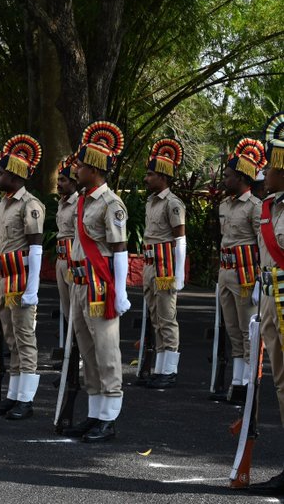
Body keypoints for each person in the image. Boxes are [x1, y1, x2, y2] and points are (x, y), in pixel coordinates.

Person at [63, 121, 130, 443]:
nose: (76, 170)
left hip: (101, 286)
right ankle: (94, 413)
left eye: (81, 166)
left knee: (106, 351)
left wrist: (121, 293)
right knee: (87, 352)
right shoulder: (83, 200)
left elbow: (119, 250)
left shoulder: (111, 204)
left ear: (95, 169)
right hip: (79, 283)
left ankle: (109, 417)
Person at [0, 136, 45, 420]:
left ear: (15, 175)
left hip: (21, 279)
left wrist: (32, 288)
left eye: (1, 173)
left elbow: (36, 248)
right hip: (3, 278)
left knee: (24, 337)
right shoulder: (3, 203)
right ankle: (14, 393)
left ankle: (27, 398)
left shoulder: (30, 205)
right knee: (10, 337)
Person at [248, 112, 284, 494]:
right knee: (281, 386)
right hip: (272, 303)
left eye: (271, 166)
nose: (264, 173)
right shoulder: (269, 206)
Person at [214, 139, 264, 404]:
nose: (224, 179)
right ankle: (236, 382)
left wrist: (259, 280)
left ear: (242, 177)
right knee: (233, 330)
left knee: (248, 331)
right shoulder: (224, 205)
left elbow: (262, 244)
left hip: (246, 276)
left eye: (228, 175)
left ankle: (248, 384)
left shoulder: (255, 207)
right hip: (226, 272)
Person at [142, 138, 187, 389]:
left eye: (150, 174)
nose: (146, 179)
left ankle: (169, 370)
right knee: (155, 317)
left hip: (165, 267)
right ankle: (159, 369)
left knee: (167, 318)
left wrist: (178, 275)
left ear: (163, 176)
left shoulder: (173, 203)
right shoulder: (151, 201)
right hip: (150, 264)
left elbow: (180, 240)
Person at [55, 155, 79, 341]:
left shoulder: (79, 204)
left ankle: (78, 353)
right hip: (61, 259)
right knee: (66, 307)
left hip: (73, 259)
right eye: (58, 180)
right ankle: (70, 350)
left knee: (76, 307)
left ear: (73, 181)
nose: (59, 183)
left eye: (63, 180)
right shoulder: (62, 203)